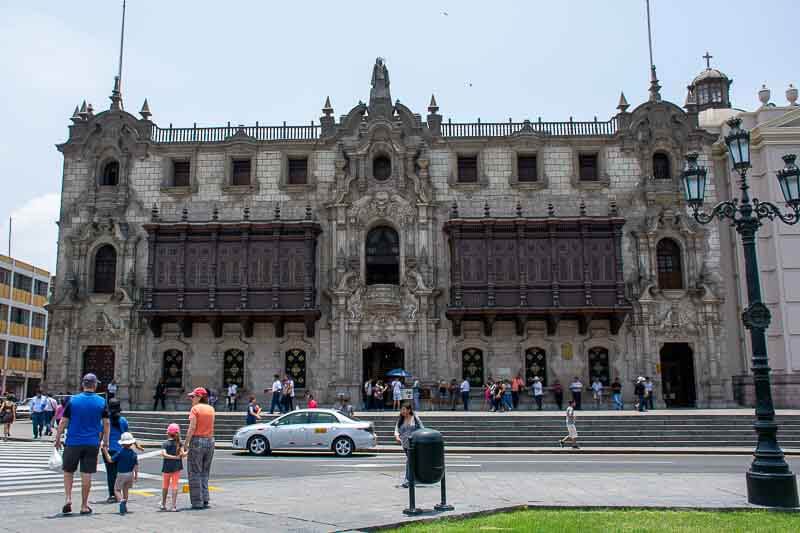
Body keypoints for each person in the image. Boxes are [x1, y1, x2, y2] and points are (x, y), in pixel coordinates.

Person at [54, 373, 110, 516]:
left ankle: (68, 498)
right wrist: (106, 441)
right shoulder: (101, 402)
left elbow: (64, 421)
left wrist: (58, 437)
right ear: (95, 385)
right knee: (86, 474)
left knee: (68, 472)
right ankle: (84, 505)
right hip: (92, 443)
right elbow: (106, 423)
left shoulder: (73, 401)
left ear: (83, 385)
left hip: (73, 442)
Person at [183, 387, 215, 510]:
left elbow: (192, 428)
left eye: (193, 397)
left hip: (197, 441)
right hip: (210, 441)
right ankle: (205, 498)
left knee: (194, 472)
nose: (192, 399)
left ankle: (197, 501)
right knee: (205, 472)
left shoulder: (195, 409)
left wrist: (186, 444)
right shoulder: (211, 409)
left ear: (200, 397)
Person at [101, 432, 139, 515]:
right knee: (126, 489)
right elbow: (136, 465)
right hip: (130, 474)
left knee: (116, 490)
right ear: (131, 443)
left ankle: (121, 500)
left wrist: (105, 452)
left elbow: (110, 460)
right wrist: (136, 475)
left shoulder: (120, 452)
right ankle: (125, 505)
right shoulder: (134, 453)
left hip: (121, 473)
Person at [104, 399, 129, 503]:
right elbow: (127, 434)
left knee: (111, 473)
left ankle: (112, 494)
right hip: (122, 450)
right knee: (121, 473)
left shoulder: (106, 420)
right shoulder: (123, 420)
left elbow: (102, 434)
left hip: (110, 449)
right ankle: (120, 493)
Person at [394, 403, 424, 488]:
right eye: (401, 409)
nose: (402, 411)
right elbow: (397, 429)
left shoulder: (414, 418)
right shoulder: (401, 419)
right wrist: (397, 436)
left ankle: (407, 481)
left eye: (404, 409)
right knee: (412, 462)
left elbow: (422, 428)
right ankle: (415, 478)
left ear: (409, 410)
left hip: (414, 444)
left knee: (409, 461)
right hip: (405, 444)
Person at [160, 423, 186, 512]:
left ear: (168, 433)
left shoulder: (165, 443)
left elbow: (163, 454)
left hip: (167, 468)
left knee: (165, 486)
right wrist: (189, 451)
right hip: (177, 468)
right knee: (175, 486)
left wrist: (172, 457)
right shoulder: (179, 443)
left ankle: (163, 504)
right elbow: (182, 455)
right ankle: (174, 506)